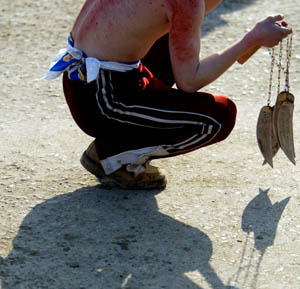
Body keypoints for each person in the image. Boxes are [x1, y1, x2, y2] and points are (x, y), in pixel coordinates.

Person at [44, 0, 292, 190]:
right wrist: (250, 39)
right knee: (218, 117)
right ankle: (112, 156)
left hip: (82, 79)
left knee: (171, 37)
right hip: (102, 100)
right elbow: (189, 81)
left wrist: (251, 40)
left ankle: (121, 139)